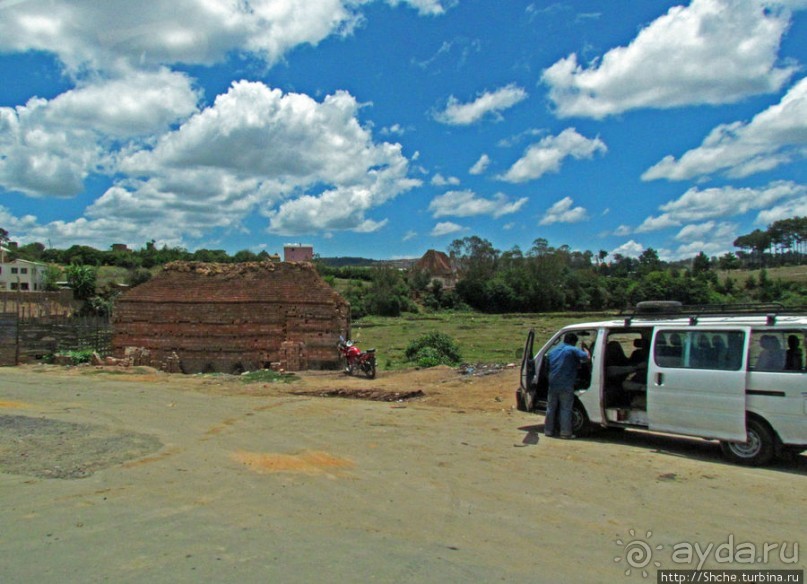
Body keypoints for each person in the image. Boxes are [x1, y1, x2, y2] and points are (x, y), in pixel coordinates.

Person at [545, 332, 590, 439]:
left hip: (553, 383)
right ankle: (565, 433)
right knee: (565, 408)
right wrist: (586, 349)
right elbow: (586, 358)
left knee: (551, 408)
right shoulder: (572, 349)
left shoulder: (553, 351)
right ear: (574, 342)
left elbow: (547, 367)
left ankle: (548, 431)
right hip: (566, 384)